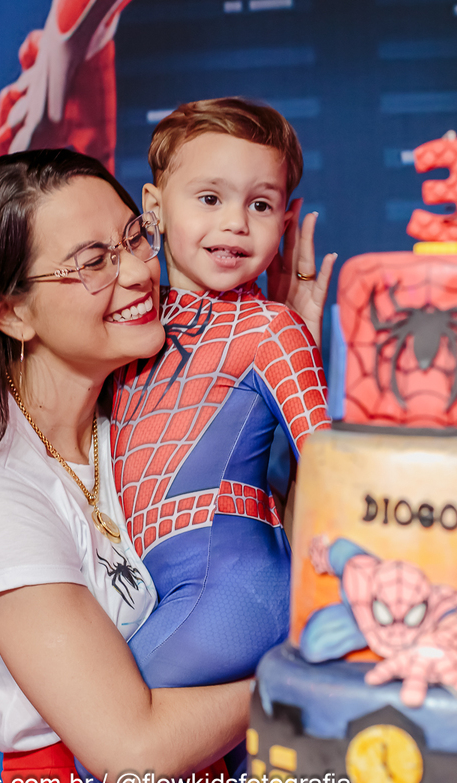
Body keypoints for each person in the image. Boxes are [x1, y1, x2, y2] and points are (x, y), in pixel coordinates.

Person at [0, 149, 249, 783]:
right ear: (13, 312)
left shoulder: (140, 418)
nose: (138, 272)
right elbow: (130, 753)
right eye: (93, 262)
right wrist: (303, 685)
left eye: (134, 237)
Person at [111, 98, 335, 696]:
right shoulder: (132, 324)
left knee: (112, 727)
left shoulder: (272, 328)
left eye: (260, 204)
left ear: (285, 221)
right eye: (210, 198)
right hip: (153, 589)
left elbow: (328, 461)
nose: (236, 222)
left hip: (233, 587)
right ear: (154, 208)